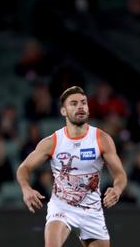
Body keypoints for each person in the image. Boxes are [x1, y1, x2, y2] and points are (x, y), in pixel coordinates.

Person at [17, 86, 127, 247]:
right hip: (62, 208)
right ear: (63, 111)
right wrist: (26, 189)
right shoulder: (52, 142)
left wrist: (117, 190)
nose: (80, 107)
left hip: (91, 210)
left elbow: (120, 174)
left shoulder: (101, 139)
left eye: (83, 103)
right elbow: (24, 168)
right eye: (74, 103)